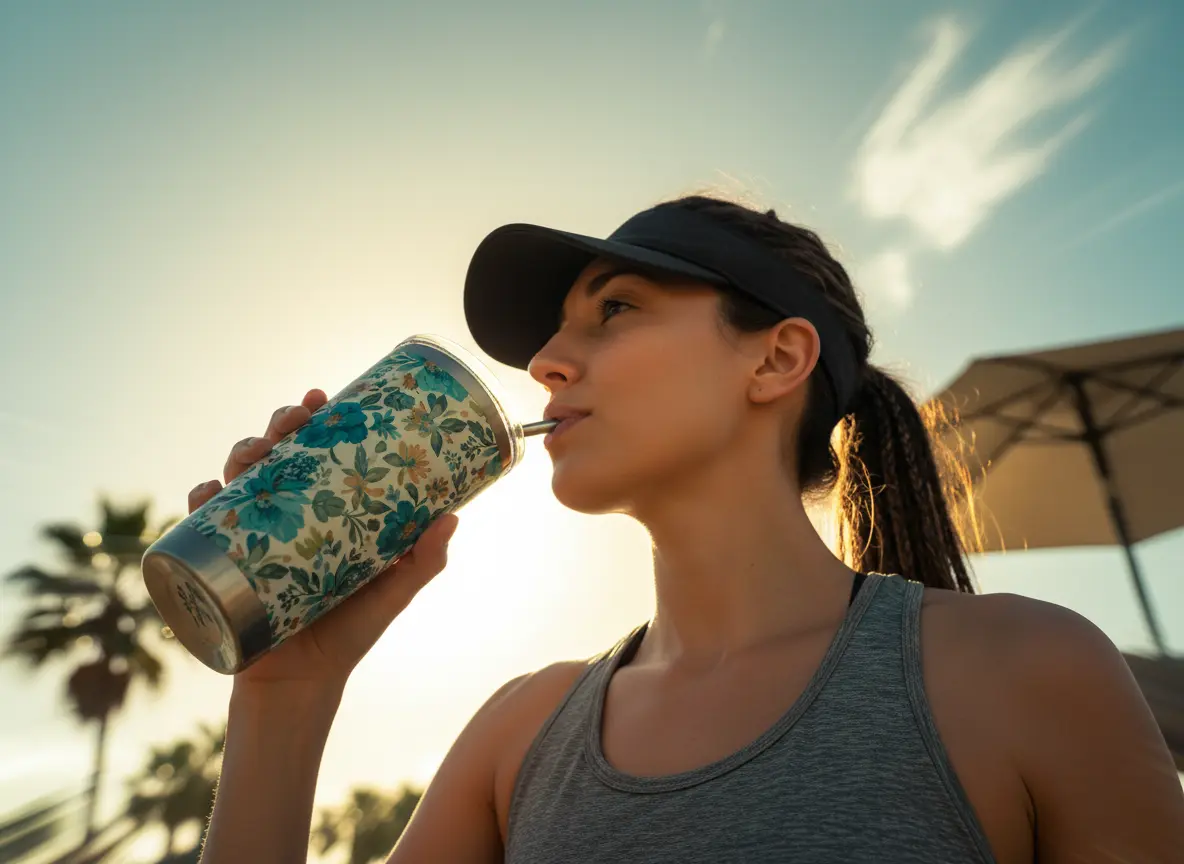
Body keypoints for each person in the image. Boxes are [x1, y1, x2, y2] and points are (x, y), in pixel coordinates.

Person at [191, 195, 1184, 863]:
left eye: (612, 308)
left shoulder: (1022, 670)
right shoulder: (519, 735)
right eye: (552, 333)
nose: (543, 361)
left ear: (774, 360)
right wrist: (289, 691)